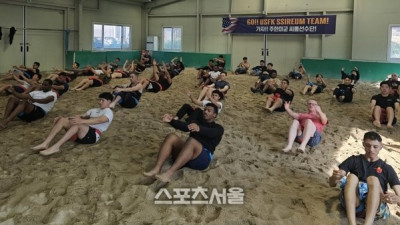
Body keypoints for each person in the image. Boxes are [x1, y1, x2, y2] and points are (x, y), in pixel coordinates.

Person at [329, 131, 400, 225]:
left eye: (375, 147)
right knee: (352, 177)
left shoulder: (387, 168)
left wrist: (397, 199)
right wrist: (334, 177)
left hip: (375, 208)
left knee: (373, 179)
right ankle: (352, 223)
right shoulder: (354, 160)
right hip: (354, 203)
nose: (371, 149)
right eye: (368, 145)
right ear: (363, 144)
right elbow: (332, 184)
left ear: (381, 147)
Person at [143, 103, 224, 182]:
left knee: (192, 140)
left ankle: (168, 174)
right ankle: (157, 169)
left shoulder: (218, 128)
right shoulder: (197, 122)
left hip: (202, 159)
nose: (205, 111)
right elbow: (185, 127)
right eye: (205, 109)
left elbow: (212, 133)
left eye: (209, 111)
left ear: (214, 115)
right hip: (187, 155)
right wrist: (171, 121)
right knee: (172, 137)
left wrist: (199, 129)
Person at [31, 92, 114, 156]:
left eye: (103, 100)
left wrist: (82, 121)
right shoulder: (93, 110)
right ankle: (46, 143)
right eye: (100, 100)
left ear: (109, 101)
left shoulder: (108, 111)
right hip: (81, 134)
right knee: (63, 120)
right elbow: (80, 116)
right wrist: (65, 118)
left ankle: (56, 147)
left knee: (78, 124)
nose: (100, 102)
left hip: (92, 136)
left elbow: (100, 120)